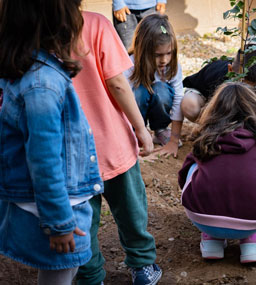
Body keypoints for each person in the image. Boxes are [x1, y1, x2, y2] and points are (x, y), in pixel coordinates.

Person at [0, 0, 104, 284]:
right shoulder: (42, 84)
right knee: (59, 274)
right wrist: (59, 223)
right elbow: (44, 161)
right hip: (54, 207)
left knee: (63, 272)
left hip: (55, 203)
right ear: (57, 21)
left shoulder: (35, 70)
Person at [72, 11, 161, 285]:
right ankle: (142, 266)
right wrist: (141, 128)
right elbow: (117, 82)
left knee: (83, 222)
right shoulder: (95, 23)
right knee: (131, 208)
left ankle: (90, 277)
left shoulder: (29, 31)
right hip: (112, 142)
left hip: (68, 153)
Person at [178, 82, 256, 263]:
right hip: (253, 220)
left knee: (195, 167)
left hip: (202, 217)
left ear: (214, 110)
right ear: (254, 110)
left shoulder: (206, 139)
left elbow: (183, 178)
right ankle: (253, 241)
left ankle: (211, 239)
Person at [126, 13, 183, 158]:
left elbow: (178, 98)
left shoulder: (172, 66)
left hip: (159, 105)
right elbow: (122, 98)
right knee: (138, 91)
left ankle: (160, 129)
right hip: (136, 117)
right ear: (143, 50)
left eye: (169, 53)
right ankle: (136, 131)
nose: (164, 60)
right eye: (157, 55)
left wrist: (174, 141)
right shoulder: (129, 64)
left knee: (161, 89)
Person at [181, 45, 256, 122]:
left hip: (240, 100)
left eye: (248, 86)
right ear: (230, 69)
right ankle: (206, 127)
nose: (244, 88)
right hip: (206, 98)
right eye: (241, 83)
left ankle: (251, 117)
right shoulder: (219, 77)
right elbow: (218, 107)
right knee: (189, 104)